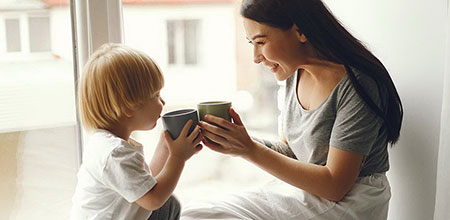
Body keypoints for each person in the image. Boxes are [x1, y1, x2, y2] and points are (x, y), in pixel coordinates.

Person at [181, 0, 403, 219]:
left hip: (352, 199)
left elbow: (336, 186)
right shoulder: (293, 74)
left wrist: (249, 150)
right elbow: (293, 154)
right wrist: (238, 142)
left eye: (261, 42)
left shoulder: (359, 85)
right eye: (251, 43)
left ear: (300, 31)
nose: (256, 58)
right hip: (308, 190)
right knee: (196, 212)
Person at [71, 43, 203, 220]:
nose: (163, 103)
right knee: (164, 203)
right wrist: (178, 158)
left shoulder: (112, 145)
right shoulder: (115, 153)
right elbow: (153, 199)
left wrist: (166, 148)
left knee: (169, 205)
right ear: (127, 106)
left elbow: (147, 183)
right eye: (155, 96)